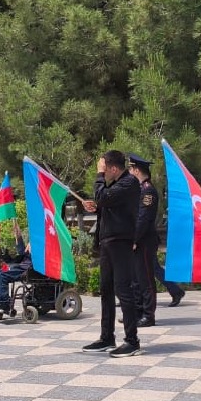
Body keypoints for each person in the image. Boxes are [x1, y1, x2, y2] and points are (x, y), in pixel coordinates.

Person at [82, 150, 144, 357]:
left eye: (104, 169)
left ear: (114, 168)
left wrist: (99, 178)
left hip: (120, 242)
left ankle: (132, 340)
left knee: (123, 290)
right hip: (108, 242)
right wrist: (96, 207)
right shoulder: (116, 184)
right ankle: (107, 336)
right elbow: (106, 202)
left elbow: (103, 196)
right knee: (106, 289)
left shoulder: (129, 182)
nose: (103, 172)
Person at [129, 155, 182, 326]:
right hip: (136, 240)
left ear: (137, 170)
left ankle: (148, 315)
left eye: (131, 169)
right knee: (135, 279)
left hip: (144, 241)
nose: (129, 172)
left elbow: (143, 218)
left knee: (145, 279)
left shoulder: (148, 191)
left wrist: (134, 239)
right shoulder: (138, 189)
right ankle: (137, 312)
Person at [0, 235, 33, 317]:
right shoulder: (33, 241)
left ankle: (5, 304)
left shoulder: (42, 241)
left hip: (27, 269)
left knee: (3, 275)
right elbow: (22, 252)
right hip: (18, 266)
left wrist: (35, 246)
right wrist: (18, 236)